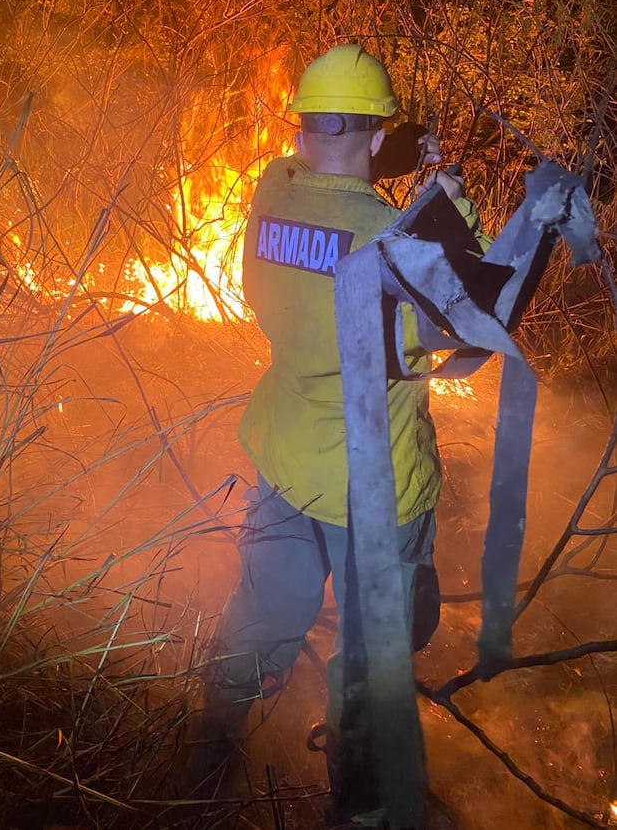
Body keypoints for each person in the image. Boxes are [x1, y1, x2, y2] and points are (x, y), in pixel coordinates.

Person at [189, 45, 488, 827]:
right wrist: (451, 210)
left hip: (286, 462)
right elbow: (472, 321)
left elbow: (329, 183)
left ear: (304, 129)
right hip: (373, 491)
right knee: (369, 666)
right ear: (374, 133)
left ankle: (199, 761)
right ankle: (361, 807)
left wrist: (388, 160)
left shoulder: (271, 191)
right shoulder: (395, 243)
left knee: (263, 613)